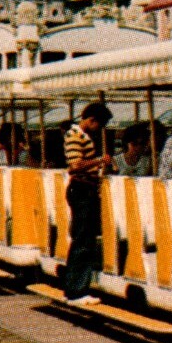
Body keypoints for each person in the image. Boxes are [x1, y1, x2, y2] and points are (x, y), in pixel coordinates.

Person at [61, 102, 112, 307]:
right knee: (83, 240)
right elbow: (74, 166)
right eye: (98, 124)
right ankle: (76, 291)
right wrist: (100, 161)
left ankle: (75, 287)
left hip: (84, 189)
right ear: (91, 120)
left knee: (84, 239)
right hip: (82, 189)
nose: (99, 129)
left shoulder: (79, 136)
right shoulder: (76, 137)